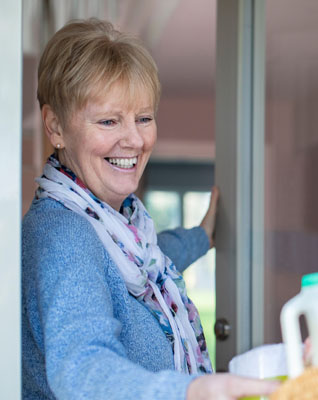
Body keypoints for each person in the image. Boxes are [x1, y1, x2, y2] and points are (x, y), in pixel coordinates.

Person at [22, 19, 278, 399]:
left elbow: (145, 263)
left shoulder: (118, 227)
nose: (136, 139)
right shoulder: (64, 233)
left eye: (144, 118)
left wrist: (200, 236)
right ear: (55, 126)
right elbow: (83, 368)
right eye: (109, 121)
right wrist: (194, 391)